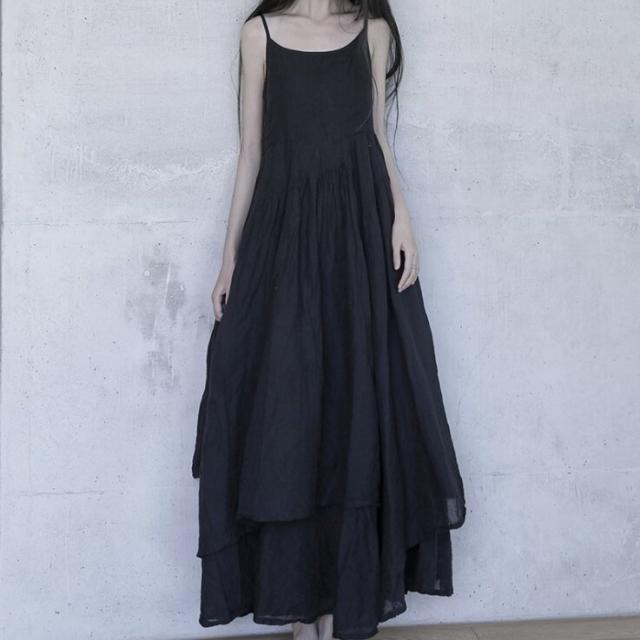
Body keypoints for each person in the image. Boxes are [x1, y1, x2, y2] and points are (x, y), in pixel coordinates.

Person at [191, 1, 467, 639]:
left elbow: (376, 135)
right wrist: (230, 258)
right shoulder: (259, 35)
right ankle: (297, 612)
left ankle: (341, 604)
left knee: (352, 410)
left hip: (358, 236)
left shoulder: (371, 33)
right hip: (284, 237)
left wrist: (403, 219)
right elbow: (251, 153)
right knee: (287, 410)